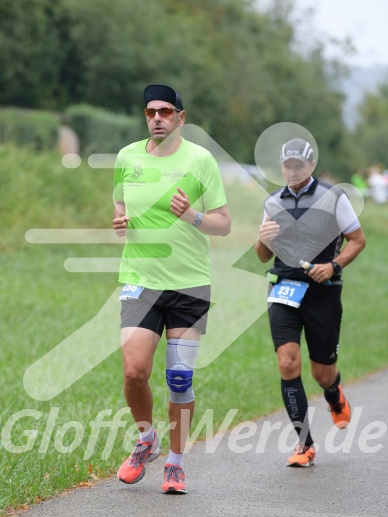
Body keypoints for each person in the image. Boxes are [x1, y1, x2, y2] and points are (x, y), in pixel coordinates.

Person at [113, 84, 231, 493]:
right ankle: (147, 439)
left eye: (165, 111)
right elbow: (119, 203)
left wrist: (194, 215)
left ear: (181, 116)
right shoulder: (127, 156)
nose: (157, 117)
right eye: (150, 111)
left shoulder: (200, 160)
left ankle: (176, 464)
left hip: (189, 287)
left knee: (179, 379)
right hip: (140, 282)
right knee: (134, 372)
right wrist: (120, 220)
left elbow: (224, 223)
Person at [255, 138, 366, 467]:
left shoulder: (333, 197)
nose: (291, 171)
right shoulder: (273, 201)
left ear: (311, 165)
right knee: (288, 363)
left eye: (297, 166)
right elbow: (262, 255)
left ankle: (333, 393)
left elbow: (357, 240)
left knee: (322, 372)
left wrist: (333, 266)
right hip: (284, 288)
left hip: (323, 291)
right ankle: (305, 445)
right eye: (286, 166)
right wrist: (263, 238)